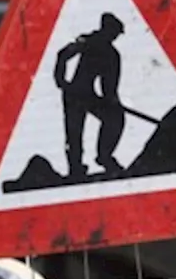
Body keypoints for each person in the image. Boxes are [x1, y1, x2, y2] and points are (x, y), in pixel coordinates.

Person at [54, 13, 126, 179]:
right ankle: (75, 168)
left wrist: (113, 103)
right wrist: (61, 81)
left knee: (115, 119)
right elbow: (63, 55)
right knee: (74, 132)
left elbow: (109, 87)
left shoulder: (112, 55)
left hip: (89, 96)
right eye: (114, 32)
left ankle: (104, 156)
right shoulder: (88, 42)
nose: (114, 36)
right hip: (74, 94)